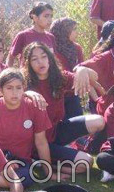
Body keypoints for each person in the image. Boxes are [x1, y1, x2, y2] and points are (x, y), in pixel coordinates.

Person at [23, 42, 104, 178]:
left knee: (99, 121)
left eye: (43, 56)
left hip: (56, 130)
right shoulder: (24, 82)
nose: (40, 62)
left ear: (49, 58)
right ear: (28, 64)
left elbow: (95, 76)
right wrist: (27, 93)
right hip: (37, 142)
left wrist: (82, 69)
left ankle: (55, 157)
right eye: (34, 59)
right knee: (86, 162)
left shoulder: (59, 78)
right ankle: (41, 162)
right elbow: (6, 96)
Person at [0, 69, 52, 189]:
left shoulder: (34, 106)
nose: (14, 93)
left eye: (18, 87)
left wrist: (48, 173)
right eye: (9, 88)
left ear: (24, 88)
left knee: (26, 178)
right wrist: (3, 162)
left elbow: (41, 142)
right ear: (0, 90)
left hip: (20, 161)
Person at [6, 2, 56, 67]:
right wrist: (9, 71)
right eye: (46, 16)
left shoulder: (51, 37)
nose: (50, 20)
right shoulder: (23, 36)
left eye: (51, 16)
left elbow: (54, 60)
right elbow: (11, 57)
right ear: (35, 17)